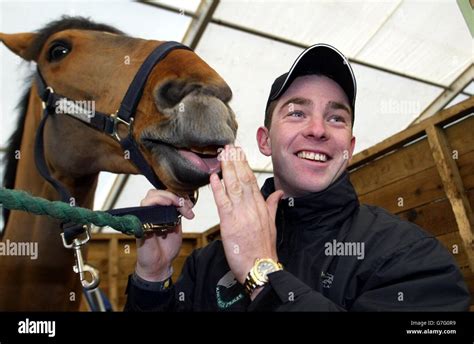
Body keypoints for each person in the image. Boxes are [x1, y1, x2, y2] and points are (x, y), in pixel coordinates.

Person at [124, 44, 470, 311]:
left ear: (349, 147)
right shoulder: (205, 264)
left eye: (336, 118)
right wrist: (152, 278)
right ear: (264, 140)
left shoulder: (412, 257)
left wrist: (262, 275)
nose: (317, 129)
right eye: (297, 112)